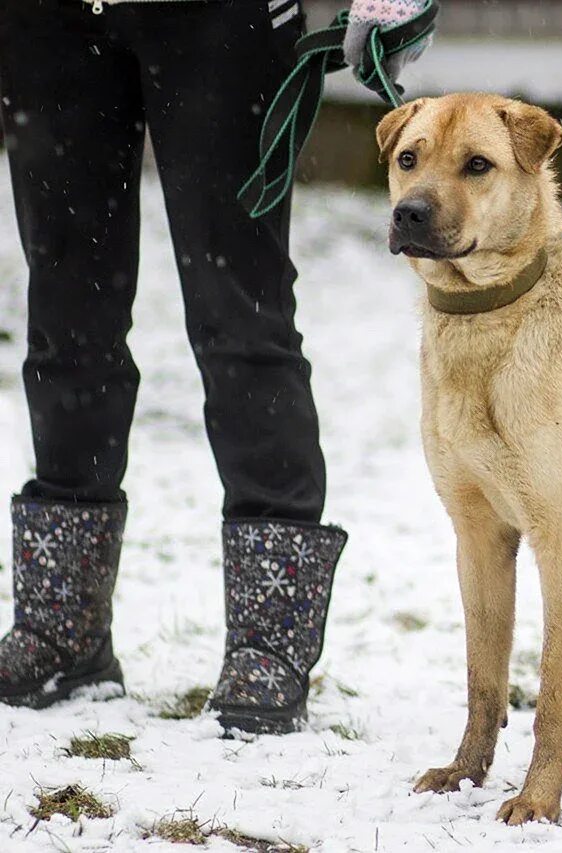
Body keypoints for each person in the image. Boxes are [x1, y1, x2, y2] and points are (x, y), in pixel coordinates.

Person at [0, 0, 430, 734]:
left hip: (222, 20)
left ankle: (269, 637)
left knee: (239, 311)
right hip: (49, 21)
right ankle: (62, 629)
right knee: (65, 307)